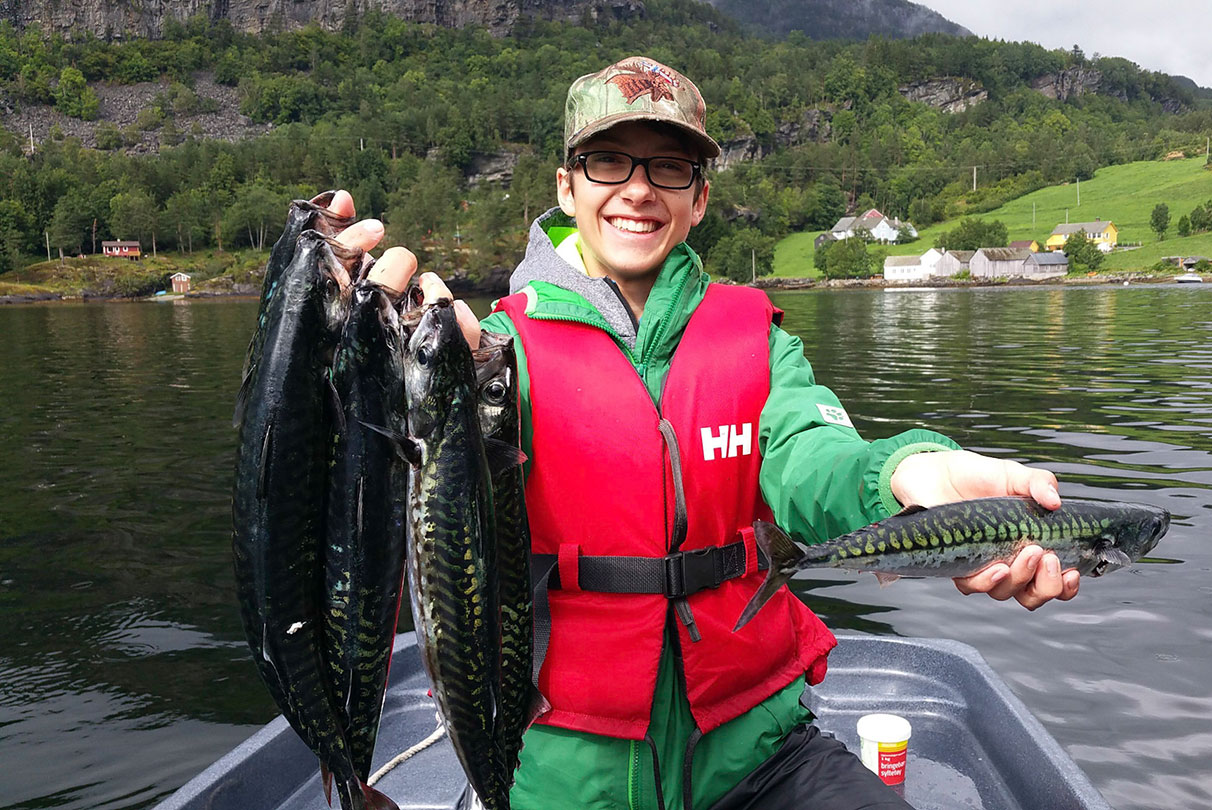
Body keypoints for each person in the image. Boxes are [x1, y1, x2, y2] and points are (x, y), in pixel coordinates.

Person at [324, 56, 1079, 810]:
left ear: (700, 197)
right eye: (608, 160)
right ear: (567, 186)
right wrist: (341, 349)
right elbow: (385, 489)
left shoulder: (758, 340)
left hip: (762, 757)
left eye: (670, 166)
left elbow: (814, 456)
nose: (638, 189)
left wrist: (907, 477)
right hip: (557, 773)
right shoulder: (487, 355)